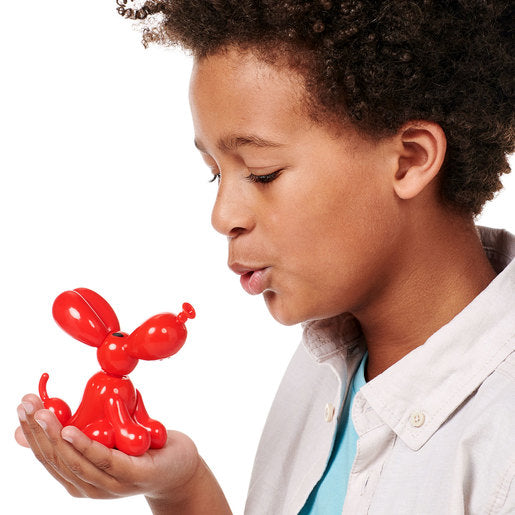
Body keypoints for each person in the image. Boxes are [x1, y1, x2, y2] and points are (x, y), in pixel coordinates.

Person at [15, 1, 514, 513]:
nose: (222, 215)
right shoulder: (326, 361)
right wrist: (181, 488)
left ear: (409, 160)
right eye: (215, 172)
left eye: (261, 172)